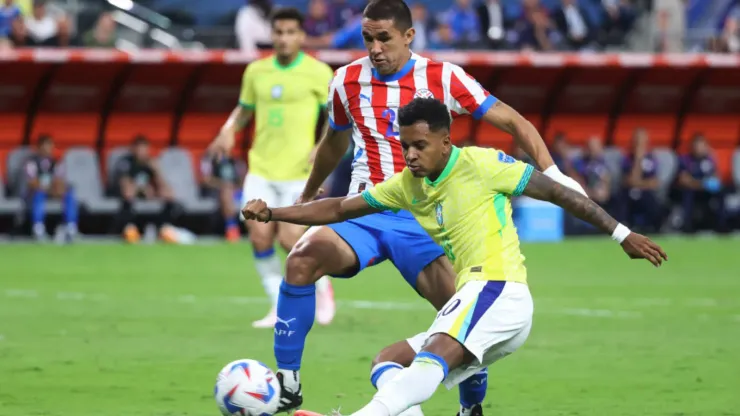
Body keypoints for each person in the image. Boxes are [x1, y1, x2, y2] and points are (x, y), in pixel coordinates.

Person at [243, 97, 667, 416]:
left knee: (429, 363)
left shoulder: (484, 165)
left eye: (420, 146)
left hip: (499, 290)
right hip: (481, 300)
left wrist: (621, 233)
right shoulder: (407, 185)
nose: (410, 156)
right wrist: (275, 213)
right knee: (388, 361)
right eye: (405, 146)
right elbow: (339, 208)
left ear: (446, 141)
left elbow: (558, 192)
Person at [266, 1, 586, 415]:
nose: (375, 48)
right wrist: (309, 192)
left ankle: (471, 407)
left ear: (408, 36)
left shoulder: (442, 76)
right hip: (366, 208)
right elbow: (335, 140)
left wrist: (553, 172)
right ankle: (288, 383)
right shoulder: (345, 81)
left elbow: (511, 121)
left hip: (425, 215)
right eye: (368, 38)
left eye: (383, 38)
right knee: (301, 260)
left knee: (458, 315)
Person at [208, 7, 336, 329]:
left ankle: (322, 288)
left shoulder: (318, 72)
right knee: (260, 238)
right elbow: (244, 109)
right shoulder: (256, 71)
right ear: (272, 35)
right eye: (278, 32)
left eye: (291, 32)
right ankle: (277, 306)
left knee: (290, 241)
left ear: (301, 36)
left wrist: (321, 146)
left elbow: (335, 118)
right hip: (262, 168)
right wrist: (227, 129)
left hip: (298, 172)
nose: (284, 38)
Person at [112, 135, 182, 243]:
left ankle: (165, 228)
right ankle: (129, 229)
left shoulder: (150, 163)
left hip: (147, 196)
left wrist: (157, 171)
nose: (142, 152)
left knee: (168, 194)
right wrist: (142, 189)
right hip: (125, 198)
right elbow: (125, 187)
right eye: (140, 149)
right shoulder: (126, 163)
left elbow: (164, 187)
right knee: (129, 193)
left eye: (145, 149)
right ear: (133, 149)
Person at [25, 135, 78, 242]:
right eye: (45, 146)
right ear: (39, 147)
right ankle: (38, 228)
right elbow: (31, 182)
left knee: (69, 192)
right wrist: (47, 188)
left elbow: (59, 179)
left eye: (50, 145)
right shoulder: (31, 162)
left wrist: (57, 189)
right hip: (35, 192)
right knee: (38, 193)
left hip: (52, 191)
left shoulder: (56, 162)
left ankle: (70, 227)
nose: (48, 149)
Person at [674, 134, 728, 233]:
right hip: (691, 191)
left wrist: (700, 183)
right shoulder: (685, 159)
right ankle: (687, 227)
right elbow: (684, 181)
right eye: (696, 145)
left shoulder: (709, 159)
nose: (698, 148)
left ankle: (721, 226)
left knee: (721, 191)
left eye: (701, 145)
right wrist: (703, 184)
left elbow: (717, 179)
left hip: (705, 191)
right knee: (688, 193)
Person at [200, 151, 241, 241]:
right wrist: (224, 184)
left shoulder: (234, 161)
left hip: (237, 192)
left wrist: (234, 186)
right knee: (226, 193)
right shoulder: (210, 161)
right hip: (218, 192)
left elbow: (241, 179)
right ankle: (232, 229)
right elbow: (206, 181)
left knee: (228, 192)